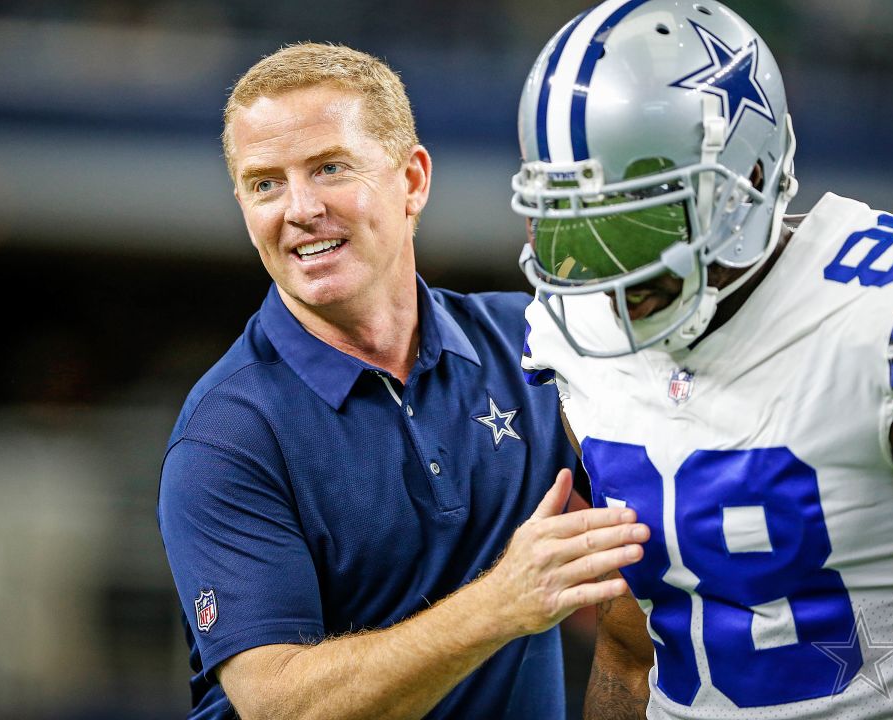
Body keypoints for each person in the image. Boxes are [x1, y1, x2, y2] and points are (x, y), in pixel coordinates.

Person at [513, 1, 893, 718]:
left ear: (744, 175)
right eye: (580, 225)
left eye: (639, 218)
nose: (610, 272)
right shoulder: (574, 340)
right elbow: (633, 645)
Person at [157, 43, 652, 720]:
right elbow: (278, 705)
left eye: (328, 168)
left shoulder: (537, 345)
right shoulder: (228, 434)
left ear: (413, 180)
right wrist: (500, 603)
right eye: (265, 183)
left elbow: (652, 573)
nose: (299, 208)